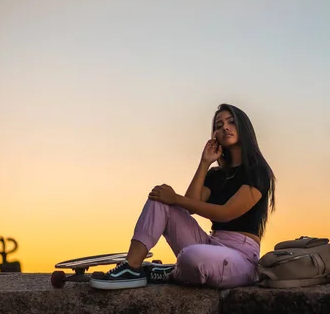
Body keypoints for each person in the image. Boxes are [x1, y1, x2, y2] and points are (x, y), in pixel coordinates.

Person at [89, 103, 276, 290]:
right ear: (215, 136)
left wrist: (176, 198)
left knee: (192, 256)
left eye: (231, 122)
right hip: (211, 243)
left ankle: (168, 272)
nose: (225, 127)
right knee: (160, 200)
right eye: (218, 126)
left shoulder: (257, 171)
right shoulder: (216, 175)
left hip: (240, 256)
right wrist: (204, 163)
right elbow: (190, 206)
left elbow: (226, 213)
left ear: (244, 127)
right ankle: (131, 267)